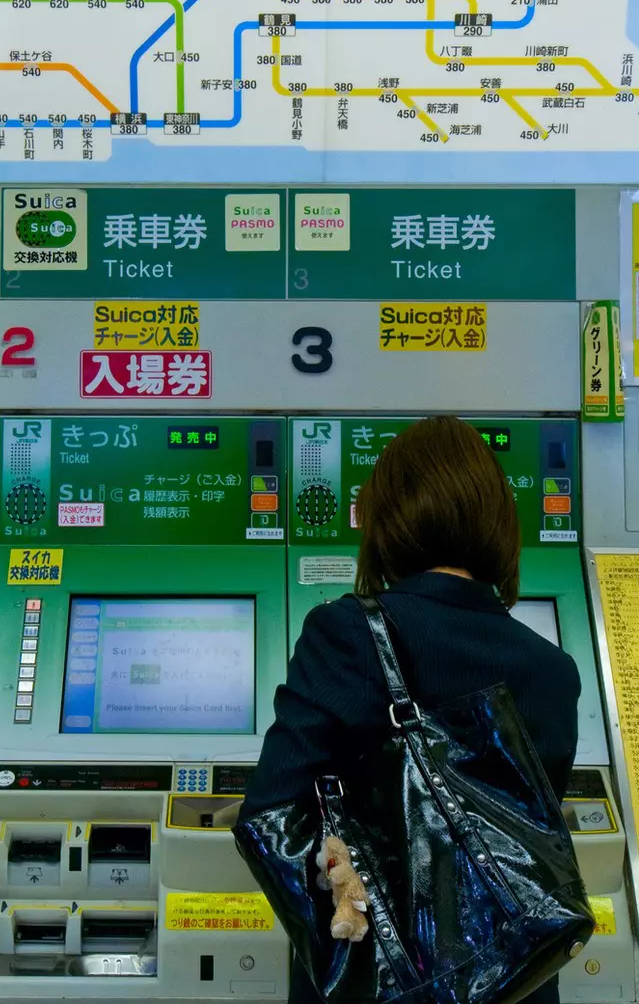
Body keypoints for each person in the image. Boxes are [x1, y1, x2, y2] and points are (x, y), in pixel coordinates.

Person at [242, 416, 582, 1004]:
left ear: (385, 523)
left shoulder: (346, 631)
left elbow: (271, 815)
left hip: (387, 978)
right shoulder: (553, 668)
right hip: (514, 980)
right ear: (499, 523)